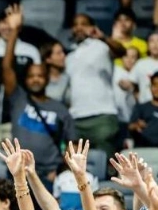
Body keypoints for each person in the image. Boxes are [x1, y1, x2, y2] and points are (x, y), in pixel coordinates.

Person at [2, 4, 75, 182]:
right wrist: (14, 32)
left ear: (47, 79)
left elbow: (72, 147)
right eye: (31, 76)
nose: (36, 79)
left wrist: (60, 171)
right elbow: (6, 67)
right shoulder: (18, 98)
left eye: (40, 76)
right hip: (18, 173)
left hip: (49, 176)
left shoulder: (60, 109)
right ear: (25, 80)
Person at [0, 11, 41, 177]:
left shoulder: (30, 51)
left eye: (10, 23)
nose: (7, 27)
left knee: (15, 169)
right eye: (3, 22)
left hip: (17, 122)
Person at [65, 13, 125, 157]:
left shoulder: (101, 47)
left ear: (92, 27)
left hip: (102, 116)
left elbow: (121, 51)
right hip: (77, 117)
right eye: (75, 24)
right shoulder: (70, 55)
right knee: (79, 166)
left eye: (84, 24)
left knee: (106, 164)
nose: (79, 27)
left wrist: (103, 38)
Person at [129, 72, 158, 147]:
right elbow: (130, 126)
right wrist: (136, 125)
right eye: (154, 85)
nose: (157, 89)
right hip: (144, 149)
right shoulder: (141, 107)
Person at [129, 32, 158, 105]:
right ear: (147, 45)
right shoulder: (140, 64)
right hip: (145, 107)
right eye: (152, 41)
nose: (155, 44)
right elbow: (131, 83)